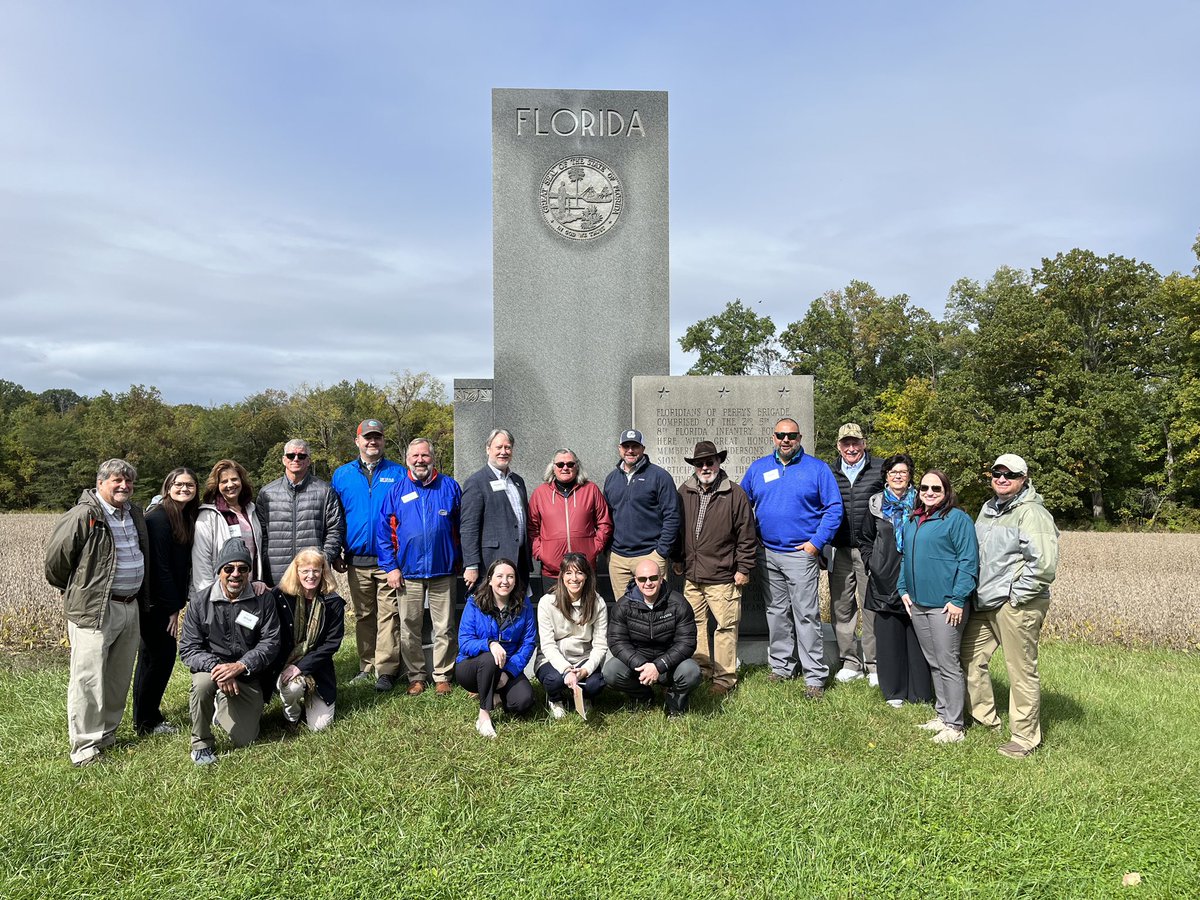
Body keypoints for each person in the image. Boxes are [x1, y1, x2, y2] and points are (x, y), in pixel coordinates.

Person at [45, 459, 149, 766]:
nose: (124, 486)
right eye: (117, 480)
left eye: (128, 482)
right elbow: (55, 564)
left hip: (130, 606)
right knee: (88, 679)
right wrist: (82, 590)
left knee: (117, 677)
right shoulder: (85, 514)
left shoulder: (133, 514)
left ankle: (107, 735)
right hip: (95, 609)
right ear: (100, 482)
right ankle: (85, 748)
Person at [962, 453, 1059, 759]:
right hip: (985, 601)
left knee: (1020, 669)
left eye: (1010, 475)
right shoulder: (988, 509)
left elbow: (1043, 565)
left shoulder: (1032, 513)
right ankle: (985, 719)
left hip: (1016, 604)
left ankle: (1025, 737)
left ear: (1024, 479)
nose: (1002, 479)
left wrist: (1015, 596)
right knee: (969, 658)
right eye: (997, 473)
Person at [741, 418, 842, 698]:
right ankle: (782, 666)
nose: (786, 440)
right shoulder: (759, 468)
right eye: (781, 435)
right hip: (768, 553)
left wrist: (815, 544)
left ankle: (814, 676)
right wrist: (753, 537)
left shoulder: (817, 469)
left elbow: (834, 509)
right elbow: (741, 504)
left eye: (792, 435)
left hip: (801, 555)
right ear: (773, 437)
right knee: (776, 613)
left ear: (799, 438)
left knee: (806, 616)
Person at [179, 538, 282, 765]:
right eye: (229, 568)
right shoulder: (199, 601)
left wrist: (240, 666)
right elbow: (188, 648)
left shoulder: (263, 599)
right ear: (219, 571)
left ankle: (222, 704)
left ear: (249, 572)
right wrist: (217, 668)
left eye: (243, 569)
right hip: (212, 669)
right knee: (202, 685)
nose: (236, 574)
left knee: (245, 738)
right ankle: (201, 743)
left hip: (247, 673)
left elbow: (271, 642)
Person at [897, 469, 978, 745]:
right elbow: (906, 557)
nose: (929, 493)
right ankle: (943, 715)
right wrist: (903, 589)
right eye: (924, 488)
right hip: (918, 604)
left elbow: (968, 562)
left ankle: (956, 726)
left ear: (946, 492)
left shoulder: (957, 520)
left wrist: (958, 599)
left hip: (946, 606)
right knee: (933, 662)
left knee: (948, 662)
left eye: (936, 489)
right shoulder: (914, 519)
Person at [671, 440, 757, 697]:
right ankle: (701, 669)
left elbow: (746, 534)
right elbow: (678, 528)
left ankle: (725, 678)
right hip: (692, 574)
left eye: (710, 462)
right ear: (694, 466)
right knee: (694, 625)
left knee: (725, 627)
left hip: (722, 575)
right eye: (700, 463)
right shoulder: (684, 491)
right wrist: (677, 557)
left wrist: (744, 567)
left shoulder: (735, 494)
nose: (705, 467)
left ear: (719, 463)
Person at [377, 437, 462, 696]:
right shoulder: (396, 490)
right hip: (408, 573)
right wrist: (391, 567)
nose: (420, 460)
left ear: (432, 458)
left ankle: (442, 675)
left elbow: (462, 529)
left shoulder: (449, 487)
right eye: (414, 456)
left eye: (424, 455)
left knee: (444, 627)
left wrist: (459, 562)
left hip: (443, 570)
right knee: (409, 626)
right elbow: (384, 534)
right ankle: (416, 676)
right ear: (407, 460)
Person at [331, 419, 405, 690]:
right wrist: (337, 550)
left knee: (389, 614)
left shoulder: (398, 473)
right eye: (367, 438)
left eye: (377, 437)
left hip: (389, 560)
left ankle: (386, 670)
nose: (372, 442)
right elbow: (336, 518)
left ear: (384, 441)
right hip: (356, 558)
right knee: (364, 615)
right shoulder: (342, 475)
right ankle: (366, 665)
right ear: (357, 441)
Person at [859, 453, 932, 708]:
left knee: (917, 634)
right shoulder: (875, 504)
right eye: (893, 472)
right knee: (889, 637)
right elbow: (865, 538)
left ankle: (919, 691)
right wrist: (872, 563)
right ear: (886, 476)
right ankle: (894, 691)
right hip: (884, 578)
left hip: (915, 576)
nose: (898, 476)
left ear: (910, 475)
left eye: (903, 472)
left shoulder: (923, 502)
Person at [133, 467, 199, 736]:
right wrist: (173, 608)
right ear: (168, 486)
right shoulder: (159, 519)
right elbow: (160, 568)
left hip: (163, 602)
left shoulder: (181, 516)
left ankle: (144, 717)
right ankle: (147, 721)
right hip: (156, 604)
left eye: (190, 485)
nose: (184, 489)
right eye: (179, 484)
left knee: (152, 658)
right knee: (158, 658)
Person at [603, 559, 700, 717]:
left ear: (661, 579)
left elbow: (687, 642)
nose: (648, 583)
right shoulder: (623, 606)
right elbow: (616, 642)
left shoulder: (679, 604)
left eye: (653, 578)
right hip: (638, 663)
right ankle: (642, 696)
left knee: (691, 672)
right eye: (642, 579)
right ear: (635, 580)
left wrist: (659, 666)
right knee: (611, 672)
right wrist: (642, 665)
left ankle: (675, 704)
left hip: (669, 663)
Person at [828, 423, 885, 685]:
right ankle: (850, 661)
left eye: (856, 443)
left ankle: (874, 663)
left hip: (870, 549)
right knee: (842, 607)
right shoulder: (829, 471)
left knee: (871, 606)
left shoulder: (880, 469)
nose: (851, 448)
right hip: (839, 548)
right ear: (839, 446)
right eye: (846, 443)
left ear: (864, 443)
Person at [455, 559, 537, 738]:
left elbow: (528, 642)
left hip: (506, 667)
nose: (505, 581)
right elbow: (465, 642)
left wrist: (509, 672)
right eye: (499, 576)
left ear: (515, 581)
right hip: (472, 667)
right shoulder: (474, 602)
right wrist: (490, 644)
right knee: (489, 658)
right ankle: (484, 715)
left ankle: (495, 697)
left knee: (524, 701)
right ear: (490, 579)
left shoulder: (524, 604)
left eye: (510, 577)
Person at [271, 548, 346, 732]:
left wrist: (301, 667)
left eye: (316, 570)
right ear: (296, 572)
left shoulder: (333, 603)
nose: (310, 576)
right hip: (285, 663)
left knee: (319, 727)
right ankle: (292, 717)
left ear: (323, 572)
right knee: (292, 688)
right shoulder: (281, 597)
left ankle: (311, 697)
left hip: (318, 669)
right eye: (305, 571)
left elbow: (331, 645)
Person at [602, 429, 680, 598]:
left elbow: (672, 515)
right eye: (626, 446)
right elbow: (606, 517)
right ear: (619, 449)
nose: (630, 450)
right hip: (619, 559)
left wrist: (661, 551)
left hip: (650, 554)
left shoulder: (660, 476)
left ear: (643, 448)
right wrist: (609, 551)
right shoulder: (611, 479)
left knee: (655, 607)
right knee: (624, 609)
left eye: (635, 446)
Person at [256, 438, 345, 585]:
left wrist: (324, 559)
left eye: (301, 456)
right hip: (276, 574)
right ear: (284, 460)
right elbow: (261, 535)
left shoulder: (325, 491)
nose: (296, 459)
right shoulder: (267, 493)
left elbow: (335, 530)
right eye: (291, 455)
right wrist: (265, 560)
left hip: (312, 575)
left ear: (309, 461)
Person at [535, 553, 608, 719]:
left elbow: (600, 645)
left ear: (587, 576)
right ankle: (555, 699)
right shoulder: (547, 602)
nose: (574, 578)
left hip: (583, 657)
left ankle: (585, 696)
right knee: (555, 680)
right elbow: (547, 645)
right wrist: (566, 670)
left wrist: (586, 669)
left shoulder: (598, 603)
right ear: (561, 576)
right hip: (553, 658)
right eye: (568, 573)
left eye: (579, 573)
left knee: (595, 684)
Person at [460, 429, 531, 592]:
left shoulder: (518, 481)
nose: (503, 452)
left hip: (518, 562)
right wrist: (471, 565)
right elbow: (469, 527)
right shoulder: (476, 482)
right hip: (490, 564)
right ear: (488, 449)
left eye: (508, 447)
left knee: (516, 611)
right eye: (498, 447)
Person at [528, 448, 612, 585]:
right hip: (553, 571)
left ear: (577, 466)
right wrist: (541, 553)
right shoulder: (540, 493)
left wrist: (594, 548)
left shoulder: (591, 490)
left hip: (584, 570)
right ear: (553, 467)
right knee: (553, 607)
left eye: (570, 464)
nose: (565, 468)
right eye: (560, 464)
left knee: (586, 607)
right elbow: (532, 527)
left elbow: (604, 523)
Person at [192, 459, 265, 600]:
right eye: (224, 481)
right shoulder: (207, 516)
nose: (230, 485)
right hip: (221, 594)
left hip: (250, 590)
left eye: (234, 479)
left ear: (242, 481)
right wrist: (209, 596)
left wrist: (258, 579)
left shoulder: (251, 511)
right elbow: (201, 560)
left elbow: (257, 552)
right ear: (217, 486)